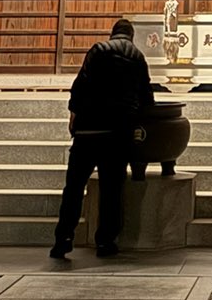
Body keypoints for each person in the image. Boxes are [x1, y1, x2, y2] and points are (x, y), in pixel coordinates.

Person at [50, 18, 153, 260]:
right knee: (111, 191)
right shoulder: (138, 57)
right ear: (131, 36)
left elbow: (80, 85)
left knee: (74, 188)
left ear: (112, 34)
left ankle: (63, 239)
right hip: (117, 134)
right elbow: (146, 96)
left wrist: (74, 117)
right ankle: (106, 242)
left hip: (88, 130)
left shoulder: (98, 50)